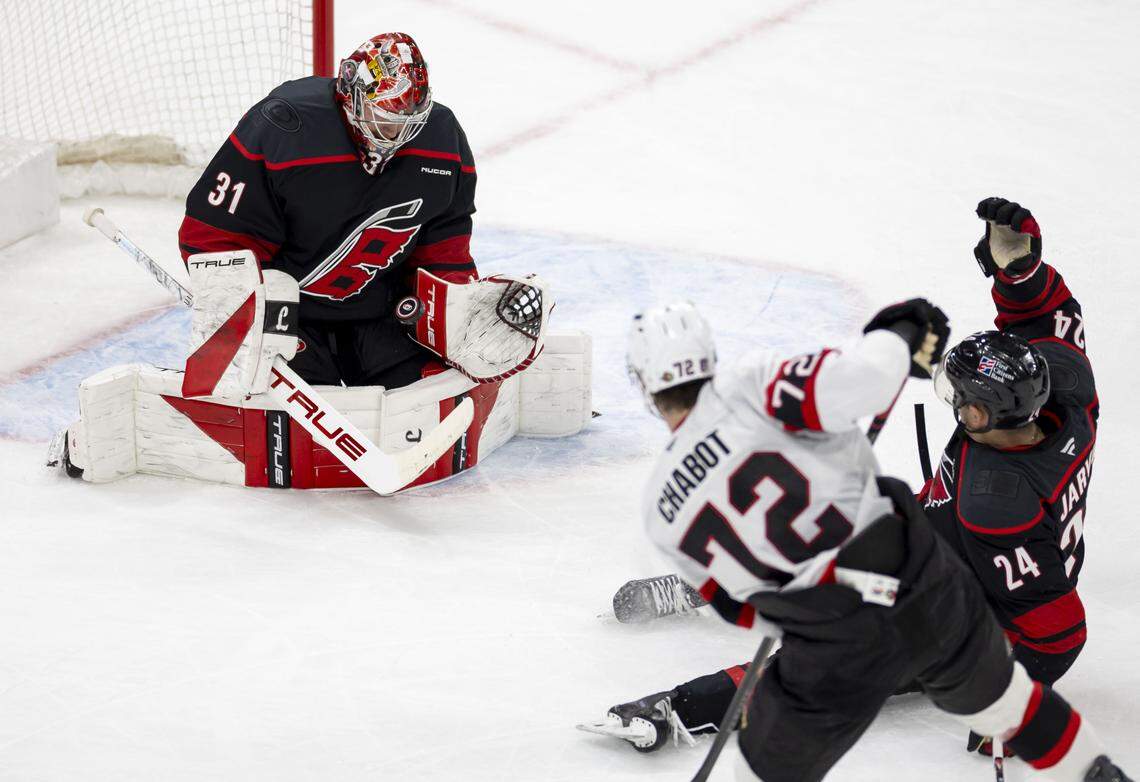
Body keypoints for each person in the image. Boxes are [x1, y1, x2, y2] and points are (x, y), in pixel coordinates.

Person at [589, 197, 1105, 763]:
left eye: (960, 400)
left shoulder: (998, 507)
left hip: (970, 594)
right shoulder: (1066, 386)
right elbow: (1045, 319)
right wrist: (1021, 274)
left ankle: (676, 708)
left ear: (985, 416)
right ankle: (748, 581)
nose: (951, 401)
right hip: (939, 533)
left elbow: (1059, 630)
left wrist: (1009, 705)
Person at [179, 32, 479, 389]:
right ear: (350, 95)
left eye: (408, 125)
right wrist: (241, 306)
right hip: (288, 314)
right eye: (385, 120)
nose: (397, 137)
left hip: (378, 312)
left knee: (425, 393)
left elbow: (446, 242)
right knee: (291, 409)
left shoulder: (442, 139)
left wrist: (454, 305)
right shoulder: (283, 127)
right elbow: (212, 235)